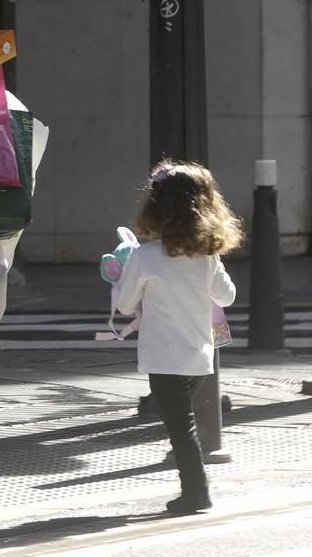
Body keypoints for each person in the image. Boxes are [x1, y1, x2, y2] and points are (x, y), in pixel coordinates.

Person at [114, 159, 243, 514]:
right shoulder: (207, 256)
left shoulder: (146, 257)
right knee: (184, 424)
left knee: (180, 428)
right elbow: (227, 297)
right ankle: (195, 491)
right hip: (199, 359)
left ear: (157, 206)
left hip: (163, 357)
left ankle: (197, 492)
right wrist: (213, 262)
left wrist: (125, 272)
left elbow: (125, 305)